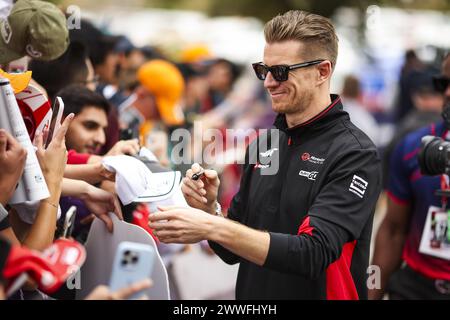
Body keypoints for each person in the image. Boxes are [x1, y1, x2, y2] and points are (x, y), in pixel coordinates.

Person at [149, 10, 382, 300]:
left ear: (322, 71)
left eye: (281, 71)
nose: (269, 83)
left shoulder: (354, 154)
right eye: (263, 70)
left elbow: (313, 253)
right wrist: (210, 211)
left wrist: (212, 225)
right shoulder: (264, 143)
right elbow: (232, 250)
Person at [370, 53, 450, 300]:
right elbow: (392, 230)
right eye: (443, 83)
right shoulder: (413, 147)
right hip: (413, 288)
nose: (446, 93)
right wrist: (368, 292)